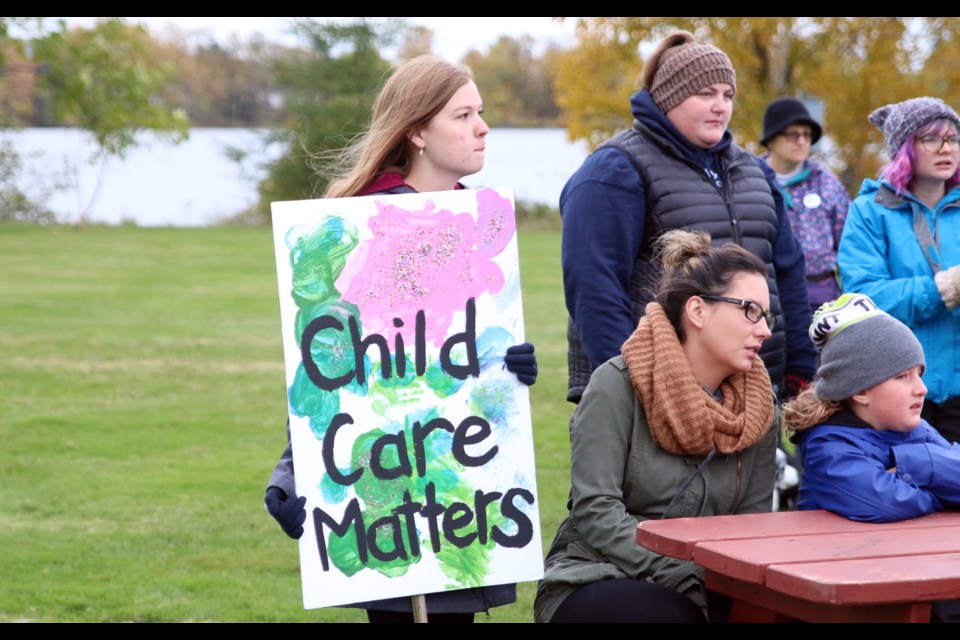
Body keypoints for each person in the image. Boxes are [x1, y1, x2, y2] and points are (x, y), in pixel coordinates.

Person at [263, 54, 538, 624]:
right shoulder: (359, 231)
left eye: (480, 113)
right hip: (384, 483)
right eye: (462, 115)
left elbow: (457, 352)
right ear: (416, 131)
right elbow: (333, 367)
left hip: (457, 480)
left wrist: (504, 363)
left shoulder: (477, 230)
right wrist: (291, 472)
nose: (482, 128)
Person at [560, 30, 816, 412]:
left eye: (727, 95)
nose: (720, 107)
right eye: (705, 94)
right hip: (662, 395)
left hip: (756, 390)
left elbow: (788, 273)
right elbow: (594, 287)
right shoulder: (615, 169)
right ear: (669, 97)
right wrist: (630, 389)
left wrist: (799, 367)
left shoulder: (754, 173)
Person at [534, 229, 779, 623]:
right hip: (597, 574)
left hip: (710, 583)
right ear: (697, 311)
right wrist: (683, 575)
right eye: (750, 310)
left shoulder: (759, 409)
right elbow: (596, 509)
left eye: (767, 315)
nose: (765, 329)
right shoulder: (618, 383)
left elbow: (749, 530)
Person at [783, 292, 960, 622]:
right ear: (860, 390)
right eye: (902, 376)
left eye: (919, 374)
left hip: (900, 575)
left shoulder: (912, 429)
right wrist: (941, 489)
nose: (920, 388)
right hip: (836, 600)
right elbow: (882, 500)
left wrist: (914, 465)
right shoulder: (827, 443)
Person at [838, 96, 960, 444]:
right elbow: (865, 299)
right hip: (897, 395)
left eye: (953, 138)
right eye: (931, 138)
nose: (946, 148)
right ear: (905, 147)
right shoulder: (869, 212)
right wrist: (946, 288)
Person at [759, 97, 851, 312]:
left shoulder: (826, 184)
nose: (801, 141)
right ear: (771, 139)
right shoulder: (750, 179)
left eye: (807, 135)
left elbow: (849, 244)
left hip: (821, 296)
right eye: (793, 134)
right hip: (766, 292)